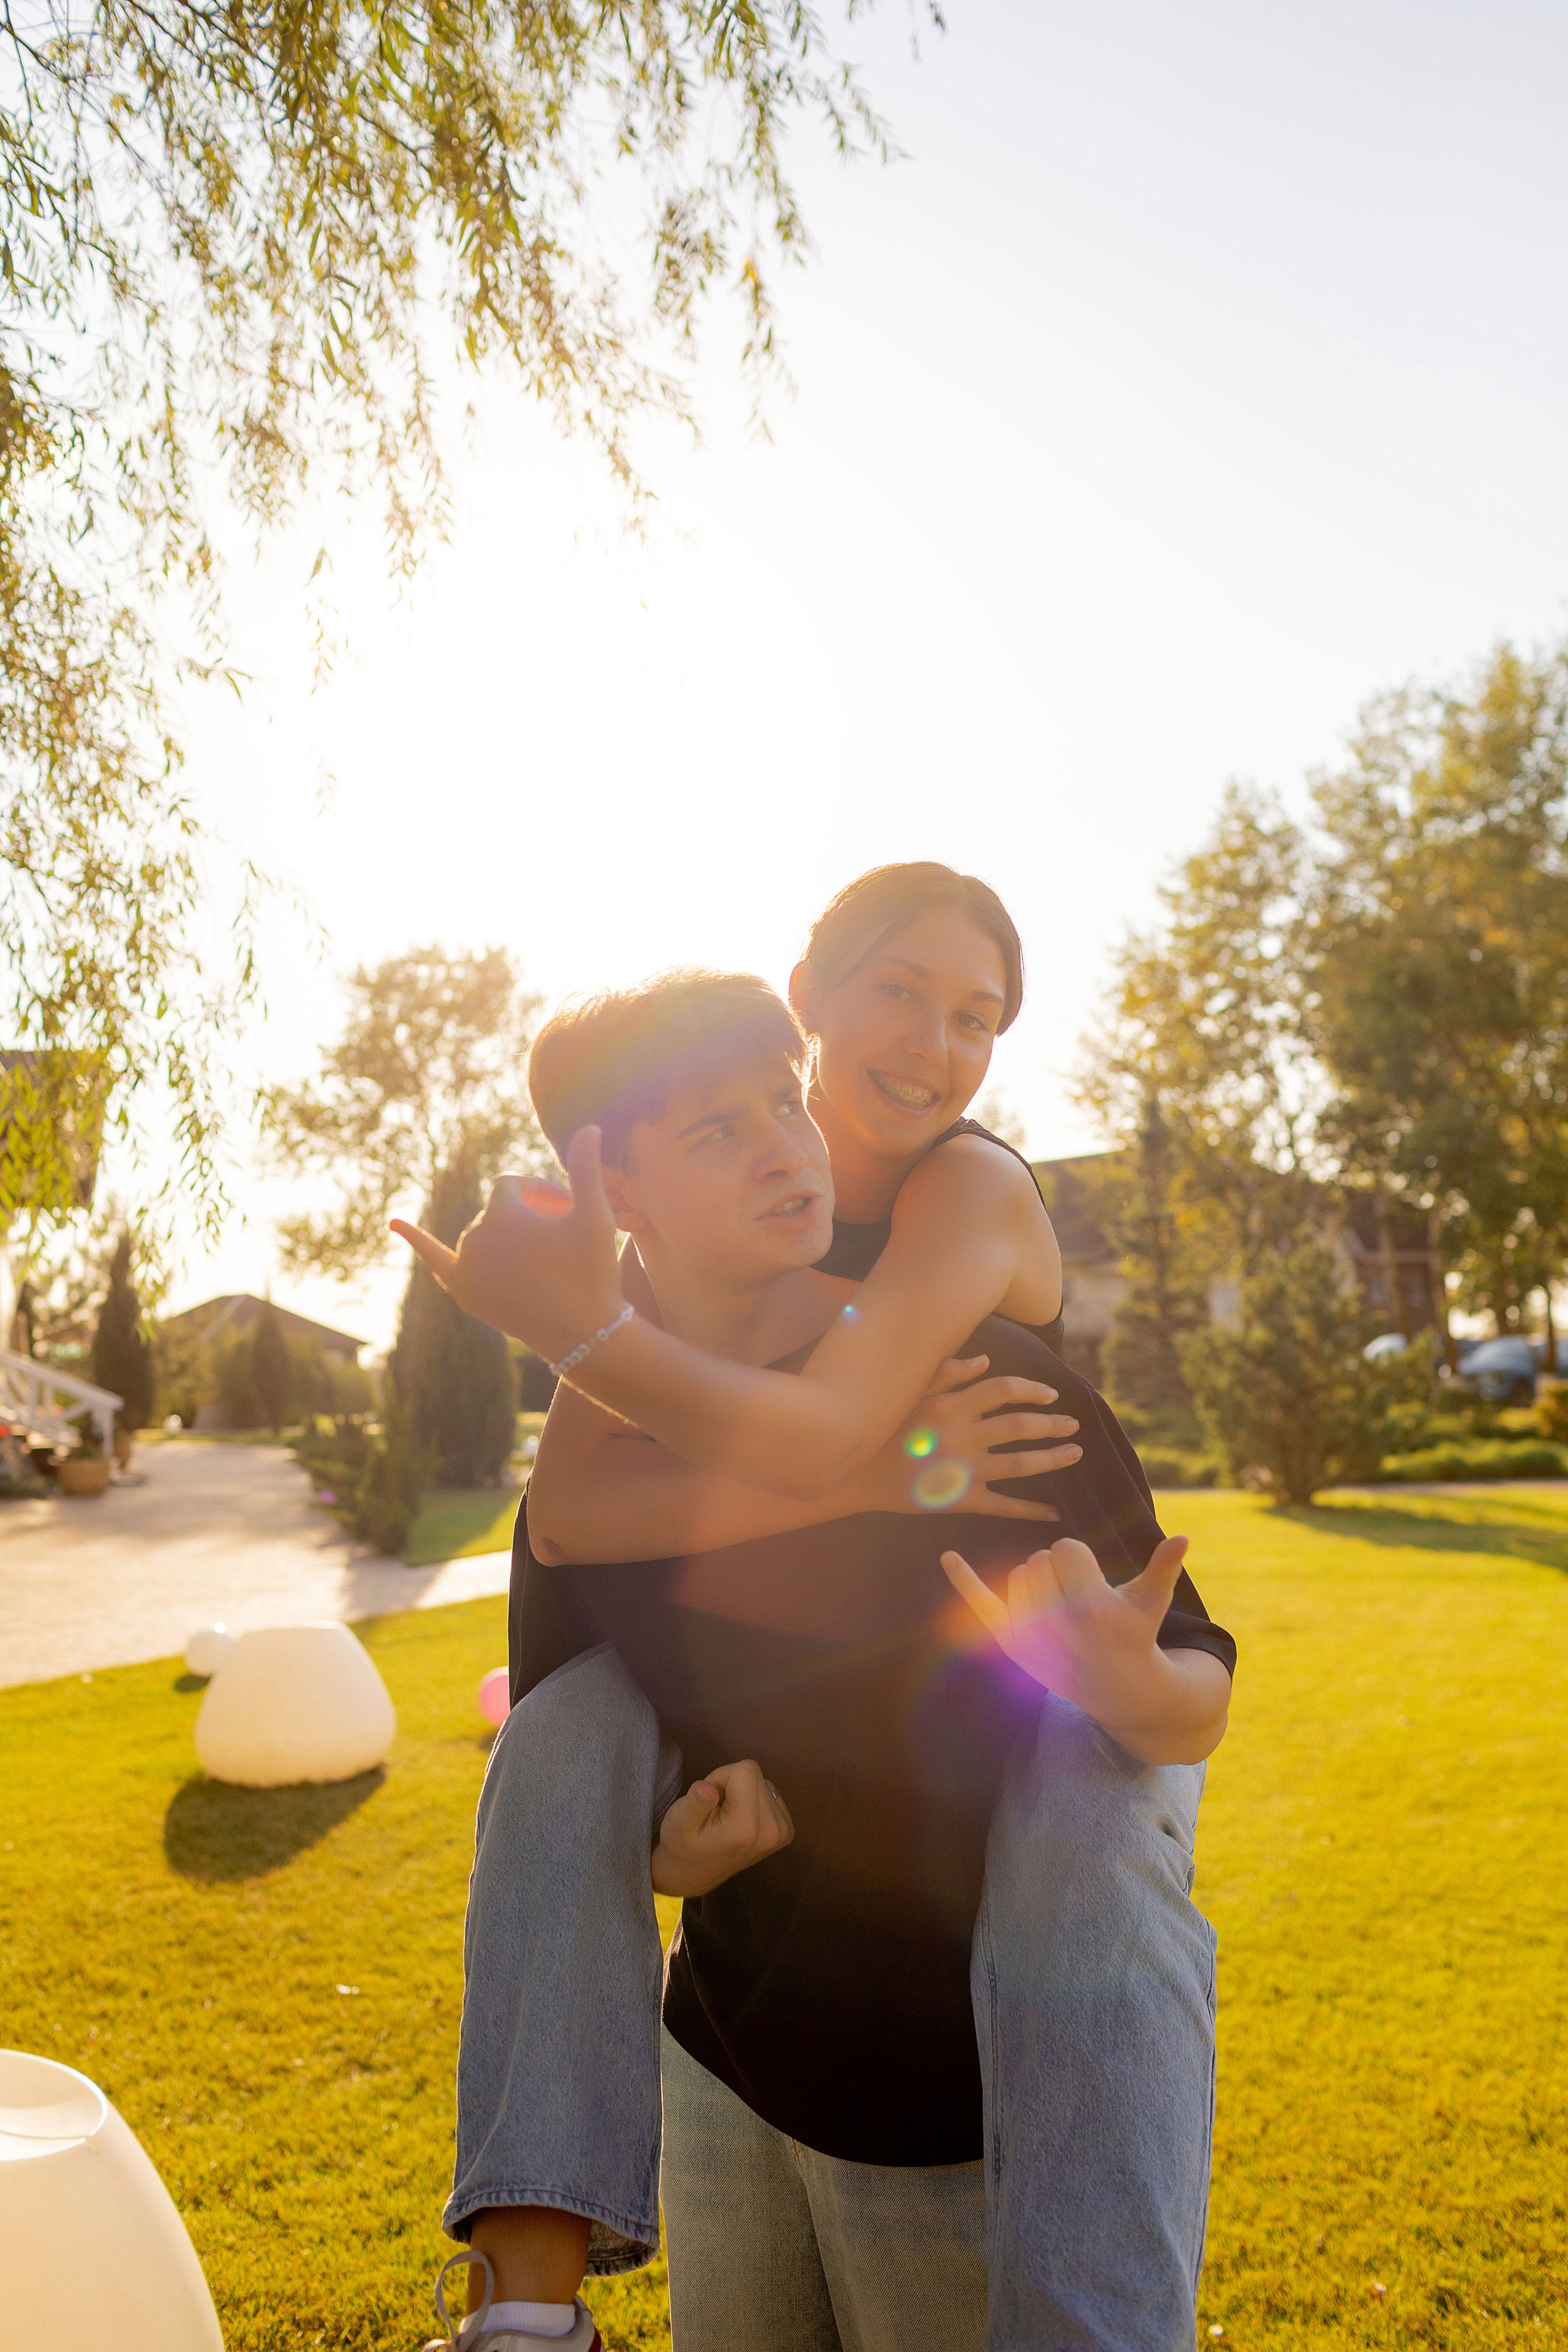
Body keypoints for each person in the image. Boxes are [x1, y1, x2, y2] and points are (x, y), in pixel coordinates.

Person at [407, 958, 1233, 2352]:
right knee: (566, 1732)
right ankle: (523, 2316)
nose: (788, 1146)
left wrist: (1119, 1679)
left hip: (960, 2110)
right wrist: (653, 1852)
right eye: (715, 1131)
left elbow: (1187, 1698)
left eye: (779, 1104)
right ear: (615, 1197)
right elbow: (569, 1756)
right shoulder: (608, 1454)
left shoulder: (981, 1386)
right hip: (729, 2059)